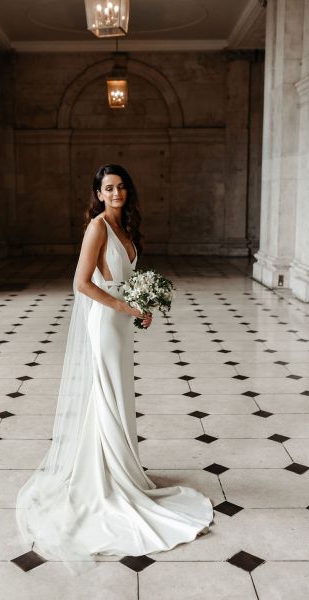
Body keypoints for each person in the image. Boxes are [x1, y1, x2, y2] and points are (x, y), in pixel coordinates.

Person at [16, 164, 214, 575]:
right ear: (98, 193)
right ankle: (106, 475)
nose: (116, 192)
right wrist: (125, 306)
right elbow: (81, 284)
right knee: (104, 394)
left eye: (122, 186)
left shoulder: (126, 228)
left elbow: (127, 278)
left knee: (119, 395)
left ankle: (121, 465)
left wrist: (144, 306)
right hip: (105, 323)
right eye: (109, 188)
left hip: (121, 323)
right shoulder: (97, 227)